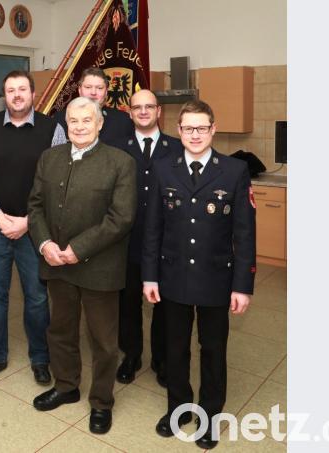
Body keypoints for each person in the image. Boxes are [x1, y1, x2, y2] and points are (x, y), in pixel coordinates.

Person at [142, 100, 256, 450]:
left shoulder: (234, 171)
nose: (194, 134)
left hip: (215, 279)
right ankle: (178, 408)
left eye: (201, 128)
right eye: (188, 128)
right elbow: (152, 230)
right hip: (173, 277)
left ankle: (209, 415)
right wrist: (150, 277)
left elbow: (244, 234)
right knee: (174, 349)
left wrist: (242, 286)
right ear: (178, 131)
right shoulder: (164, 169)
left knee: (213, 348)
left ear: (213, 129)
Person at [28, 97, 136, 435]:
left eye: (86, 120)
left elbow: (121, 218)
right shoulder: (49, 158)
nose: (79, 126)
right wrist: (45, 244)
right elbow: (35, 206)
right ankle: (66, 386)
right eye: (73, 121)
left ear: (100, 123)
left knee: (103, 340)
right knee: (60, 330)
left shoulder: (120, 162)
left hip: (99, 267)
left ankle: (102, 401)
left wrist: (77, 249)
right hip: (56, 264)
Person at [0, 70, 66, 384]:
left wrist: (28, 222)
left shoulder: (54, 129)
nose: (17, 95)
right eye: (10, 90)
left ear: (33, 94)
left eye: (22, 89)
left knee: (37, 297)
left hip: (34, 231)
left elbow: (58, 183)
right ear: (4, 95)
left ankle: (40, 358)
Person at [114, 89, 183, 386]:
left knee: (165, 305)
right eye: (137, 107)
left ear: (159, 112)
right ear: (130, 113)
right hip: (126, 241)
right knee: (127, 303)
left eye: (149, 107)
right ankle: (131, 354)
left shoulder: (178, 148)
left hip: (167, 243)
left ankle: (161, 358)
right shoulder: (117, 148)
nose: (143, 112)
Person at [54, 67, 134, 146]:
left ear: (106, 92)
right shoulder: (60, 118)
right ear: (79, 90)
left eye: (99, 88)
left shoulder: (123, 121)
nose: (93, 93)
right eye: (88, 87)